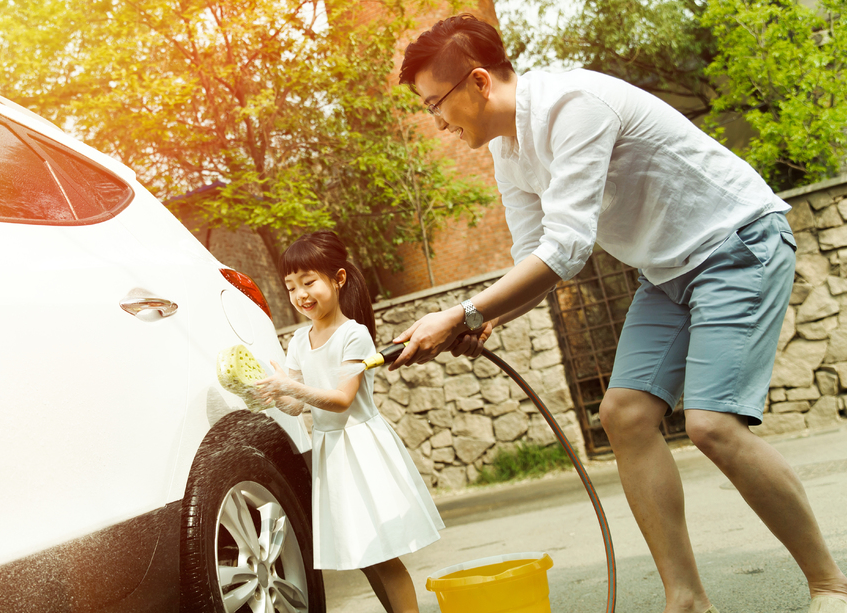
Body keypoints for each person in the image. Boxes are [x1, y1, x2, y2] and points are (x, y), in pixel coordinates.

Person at [390, 13, 847, 613]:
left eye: (434, 104)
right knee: (624, 415)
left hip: (738, 243)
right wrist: (486, 318)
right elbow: (535, 255)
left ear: (477, 82)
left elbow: (569, 248)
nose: (437, 123)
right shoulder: (508, 150)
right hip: (666, 272)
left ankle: (830, 586)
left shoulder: (572, 106)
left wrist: (464, 311)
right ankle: (685, 599)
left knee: (711, 425)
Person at [255, 230, 444, 613]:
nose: (300, 295)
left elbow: (341, 399)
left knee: (383, 552)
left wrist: (291, 385)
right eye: (291, 287)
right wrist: (275, 393)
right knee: (365, 556)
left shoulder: (352, 335)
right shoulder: (297, 340)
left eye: (309, 282)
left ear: (337, 279)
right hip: (331, 451)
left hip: (360, 447)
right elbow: (297, 406)